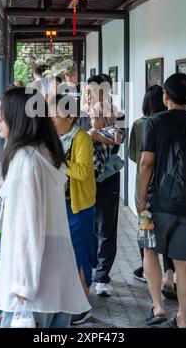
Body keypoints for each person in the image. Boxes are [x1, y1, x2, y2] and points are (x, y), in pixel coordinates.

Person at [0, 87, 91, 328]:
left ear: (18, 117)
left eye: (1, 113)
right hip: (55, 281)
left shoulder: (26, 160)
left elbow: (28, 227)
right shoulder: (46, 153)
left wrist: (23, 286)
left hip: (31, 293)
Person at [139, 74, 186, 328]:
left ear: (165, 96)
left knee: (150, 250)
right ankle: (183, 319)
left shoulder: (155, 123)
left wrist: (141, 202)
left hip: (160, 202)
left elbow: (147, 163)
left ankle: (158, 307)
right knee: (182, 260)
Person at [49, 94, 96, 325]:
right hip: (59, 206)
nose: (52, 119)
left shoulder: (81, 139)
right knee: (64, 254)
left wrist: (57, 160)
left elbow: (83, 172)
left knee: (78, 254)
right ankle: (71, 300)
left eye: (55, 115)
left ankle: (83, 306)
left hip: (78, 207)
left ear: (70, 117)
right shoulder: (55, 138)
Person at [129, 85, 177, 299]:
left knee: (146, 234)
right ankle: (168, 274)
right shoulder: (169, 124)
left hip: (144, 188)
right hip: (167, 187)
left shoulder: (139, 124)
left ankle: (148, 271)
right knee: (169, 233)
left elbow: (133, 156)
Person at [81, 75, 125, 296]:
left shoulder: (116, 114)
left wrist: (95, 135)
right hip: (82, 180)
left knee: (106, 226)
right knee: (87, 225)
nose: (89, 94)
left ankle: (102, 278)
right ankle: (88, 270)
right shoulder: (78, 115)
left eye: (94, 91)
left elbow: (118, 137)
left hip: (107, 180)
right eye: (87, 90)